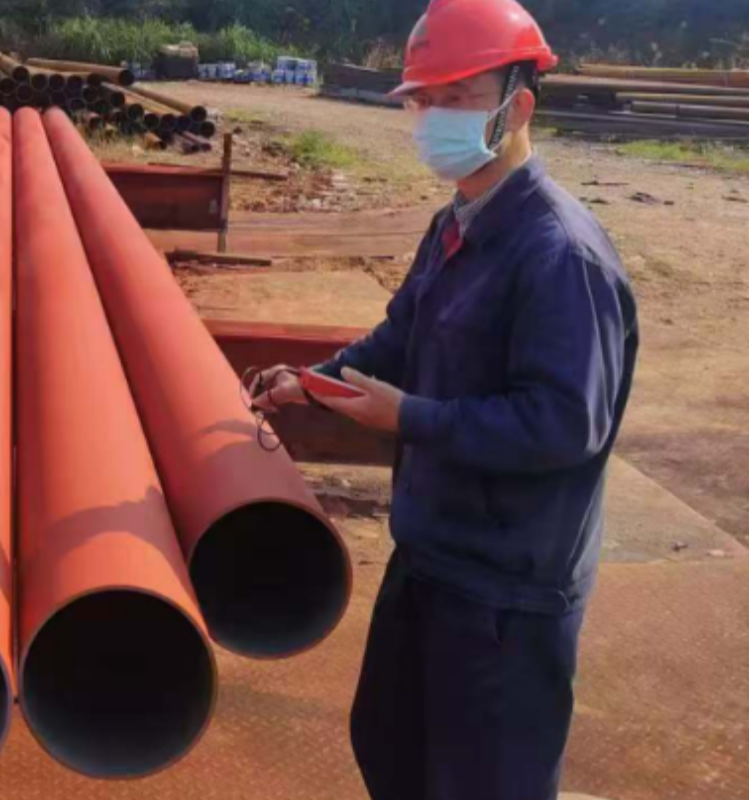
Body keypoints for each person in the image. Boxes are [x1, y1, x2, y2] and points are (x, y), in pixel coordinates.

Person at [246, 0, 638, 798]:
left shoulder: (560, 256)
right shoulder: (454, 225)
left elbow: (564, 424)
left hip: (507, 593)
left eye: (456, 99)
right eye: (422, 101)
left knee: (481, 784)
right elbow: (399, 338)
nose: (432, 118)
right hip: (432, 555)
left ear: (516, 107)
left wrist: (409, 418)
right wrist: (310, 381)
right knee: (391, 750)